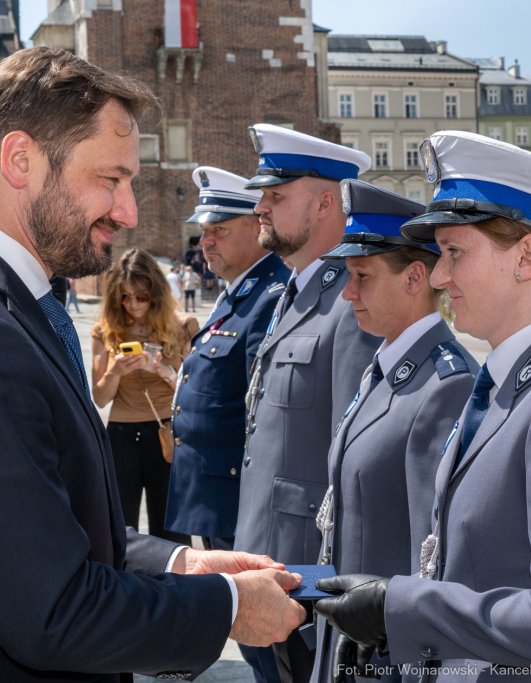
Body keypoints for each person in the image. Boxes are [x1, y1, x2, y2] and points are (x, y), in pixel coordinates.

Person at [0, 48, 306, 683]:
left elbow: (35, 526)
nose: (130, 211)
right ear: (21, 161)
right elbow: (50, 611)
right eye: (110, 179)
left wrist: (177, 567)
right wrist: (227, 607)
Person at [316, 130, 531, 683]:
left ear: (527, 257)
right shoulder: (507, 382)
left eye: (454, 253)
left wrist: (400, 608)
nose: (440, 277)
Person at [309, 179, 477, 683]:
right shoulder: (386, 367)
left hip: (386, 654)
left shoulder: (445, 384)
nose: (348, 291)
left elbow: (432, 557)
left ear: (414, 279)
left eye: (361, 274)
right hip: (351, 639)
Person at [237, 123, 381, 683]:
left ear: (326, 203)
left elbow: (357, 466)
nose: (260, 208)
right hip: (266, 563)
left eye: (276, 196)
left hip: (307, 581)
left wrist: (336, 583)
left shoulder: (351, 302)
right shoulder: (292, 293)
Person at [165, 167, 291, 683]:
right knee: (250, 633)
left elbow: (262, 411)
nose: (205, 240)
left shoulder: (270, 295)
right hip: (214, 494)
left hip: (237, 497)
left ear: (256, 228)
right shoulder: (240, 293)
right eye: (203, 229)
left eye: (219, 227)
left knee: (268, 639)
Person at [91, 248, 198, 545]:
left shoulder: (184, 325)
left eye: (141, 295)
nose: (133, 304)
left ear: (156, 292)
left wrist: (164, 371)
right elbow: (99, 399)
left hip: (168, 431)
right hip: (122, 436)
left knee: (172, 532)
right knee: (120, 530)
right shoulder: (105, 330)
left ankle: (177, 592)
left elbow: (194, 394)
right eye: (124, 297)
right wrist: (114, 371)